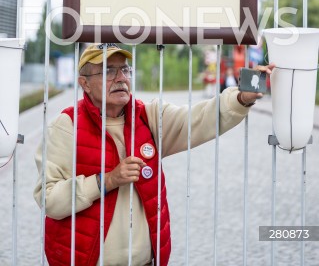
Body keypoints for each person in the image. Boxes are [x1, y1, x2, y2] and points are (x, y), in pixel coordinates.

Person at [34, 43, 274, 266]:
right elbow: (49, 198)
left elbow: (201, 118)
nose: (121, 78)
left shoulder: (148, 117)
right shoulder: (66, 126)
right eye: (108, 71)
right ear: (84, 83)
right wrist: (107, 180)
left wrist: (242, 95)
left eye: (125, 69)